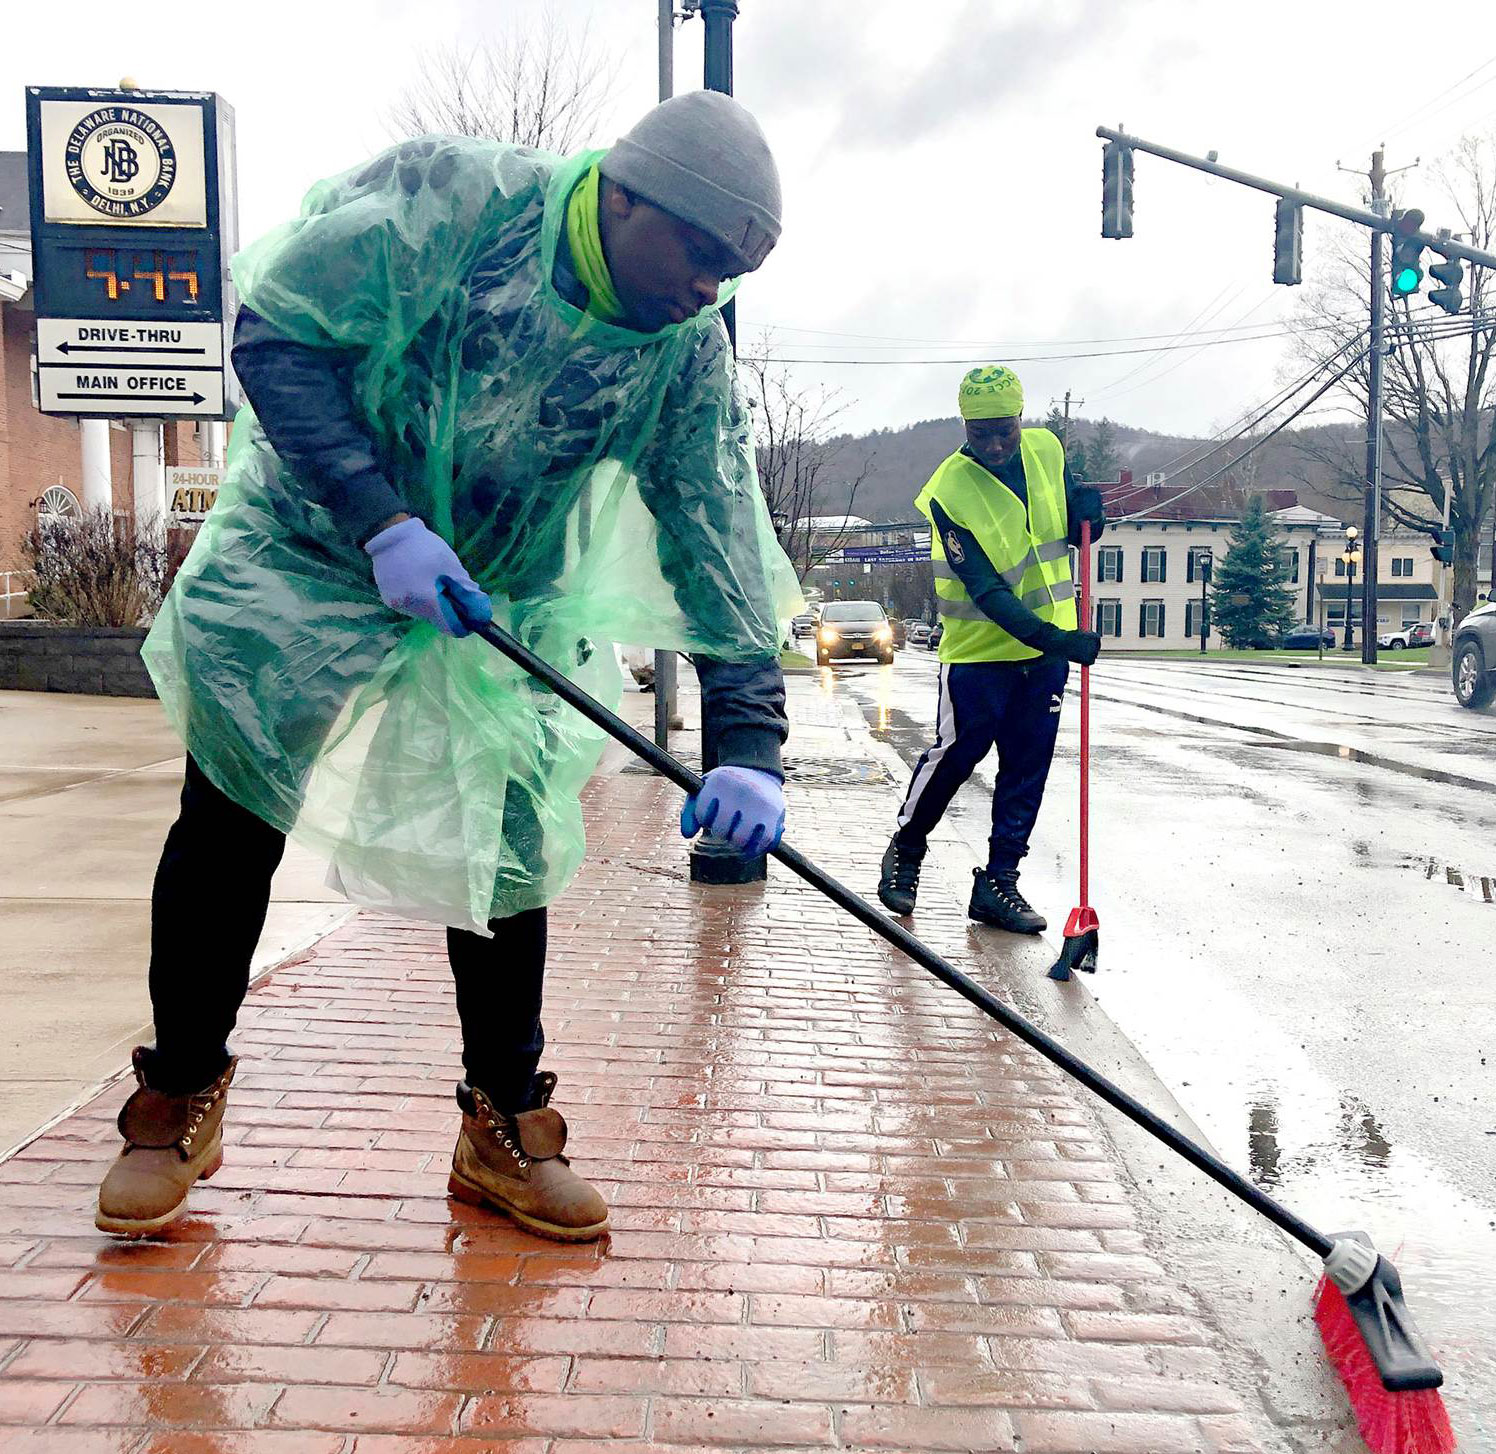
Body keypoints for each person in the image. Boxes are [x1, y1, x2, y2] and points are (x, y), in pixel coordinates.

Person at [96, 92, 801, 1242]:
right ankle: (176, 1091)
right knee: (229, 811)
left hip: (500, 590)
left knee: (507, 847)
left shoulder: (681, 353)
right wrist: (379, 520)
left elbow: (716, 532)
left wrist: (749, 743)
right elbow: (277, 333)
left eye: (733, 271)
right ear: (623, 197)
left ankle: (501, 1123)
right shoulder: (455, 205)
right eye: (702, 253)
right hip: (313, 544)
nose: (708, 287)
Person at [877, 366, 1103, 932]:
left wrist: (1092, 516)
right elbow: (986, 589)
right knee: (957, 754)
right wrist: (1060, 639)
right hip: (979, 654)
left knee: (1027, 766)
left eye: (1004, 430)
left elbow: (1065, 526)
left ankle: (999, 883)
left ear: (1021, 419)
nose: (995, 445)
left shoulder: (1047, 450)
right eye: (982, 434)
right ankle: (907, 847)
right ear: (965, 428)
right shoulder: (947, 492)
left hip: (1044, 654)